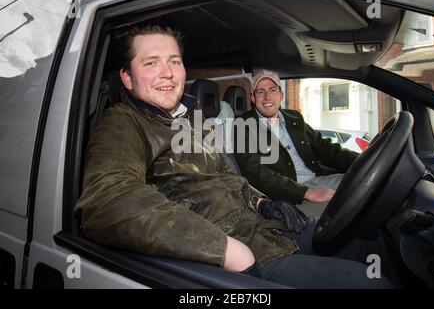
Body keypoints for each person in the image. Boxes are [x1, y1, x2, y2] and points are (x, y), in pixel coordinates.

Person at [75, 24, 395, 288]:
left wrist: (262, 202)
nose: (168, 73)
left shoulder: (191, 122)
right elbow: (107, 201)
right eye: (151, 62)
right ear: (127, 78)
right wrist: (224, 249)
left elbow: (229, 178)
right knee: (373, 284)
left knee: (374, 243)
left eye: (174, 61)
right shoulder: (124, 122)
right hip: (240, 255)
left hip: (267, 229)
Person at [235, 70, 358, 215]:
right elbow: (255, 172)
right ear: (253, 98)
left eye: (272, 90)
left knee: (362, 184)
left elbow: (325, 148)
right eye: (260, 91)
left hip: (319, 180)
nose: (267, 97)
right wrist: (307, 193)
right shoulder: (242, 126)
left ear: (281, 95)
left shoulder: (294, 118)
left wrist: (362, 160)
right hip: (292, 196)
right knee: (348, 209)